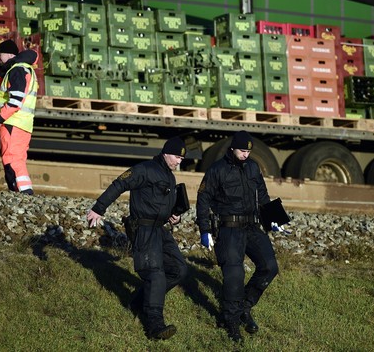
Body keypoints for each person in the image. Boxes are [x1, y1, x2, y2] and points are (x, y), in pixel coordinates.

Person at [86, 137, 189, 341]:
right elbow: (119, 183)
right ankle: (154, 325)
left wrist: (173, 215)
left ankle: (138, 302)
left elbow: (161, 204)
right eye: (177, 157)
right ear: (166, 153)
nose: (180, 162)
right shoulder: (144, 169)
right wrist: (99, 208)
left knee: (179, 269)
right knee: (155, 274)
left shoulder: (169, 176)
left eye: (181, 158)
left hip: (160, 230)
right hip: (144, 229)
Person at [196, 130, 279, 343]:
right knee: (234, 275)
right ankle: (230, 321)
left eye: (248, 152)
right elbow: (203, 199)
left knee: (270, 266)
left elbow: (262, 194)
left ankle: (244, 307)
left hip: (252, 226)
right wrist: (204, 230)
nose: (246, 155)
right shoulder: (217, 170)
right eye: (242, 151)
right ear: (232, 148)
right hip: (228, 229)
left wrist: (273, 219)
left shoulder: (252, 167)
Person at [0, 39, 39, 195]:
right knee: (17, 160)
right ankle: (23, 194)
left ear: (9, 54)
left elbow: (15, 101)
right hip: (22, 124)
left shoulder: (17, 70)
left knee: (12, 160)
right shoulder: (26, 69)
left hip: (12, 123)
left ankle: (24, 195)